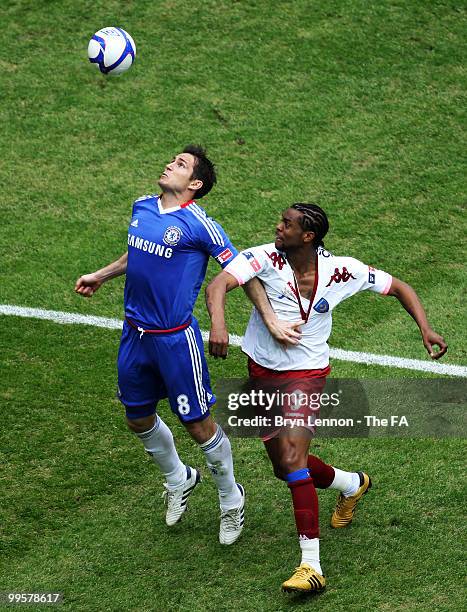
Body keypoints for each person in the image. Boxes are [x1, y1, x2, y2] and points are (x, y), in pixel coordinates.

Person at [205, 203, 447, 591]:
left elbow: (398, 286)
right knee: (283, 469)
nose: (277, 227)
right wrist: (219, 323)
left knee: (292, 458)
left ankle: (310, 565)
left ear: (308, 236)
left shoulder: (342, 270)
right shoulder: (265, 256)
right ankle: (353, 484)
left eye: (287, 224)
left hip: (307, 375)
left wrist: (426, 329)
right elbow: (217, 285)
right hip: (261, 373)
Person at [75, 145, 247, 545]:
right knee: (137, 417)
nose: (171, 164)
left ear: (195, 184)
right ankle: (180, 478)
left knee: (197, 425)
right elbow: (136, 253)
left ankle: (231, 497)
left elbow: (237, 268)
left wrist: (220, 322)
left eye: (181, 164)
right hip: (135, 334)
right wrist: (102, 274)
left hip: (175, 340)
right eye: (173, 159)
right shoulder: (143, 206)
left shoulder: (200, 224)